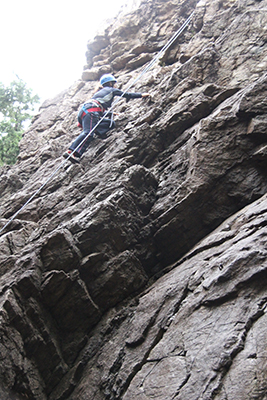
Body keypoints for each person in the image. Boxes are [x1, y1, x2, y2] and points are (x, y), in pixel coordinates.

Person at [63, 74, 150, 163]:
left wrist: (111, 113)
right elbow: (127, 94)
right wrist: (141, 95)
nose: (115, 85)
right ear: (111, 83)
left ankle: (96, 131)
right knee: (88, 133)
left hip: (87, 111)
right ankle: (71, 151)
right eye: (114, 83)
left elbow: (97, 110)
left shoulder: (98, 94)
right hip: (91, 111)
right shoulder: (110, 90)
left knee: (110, 123)